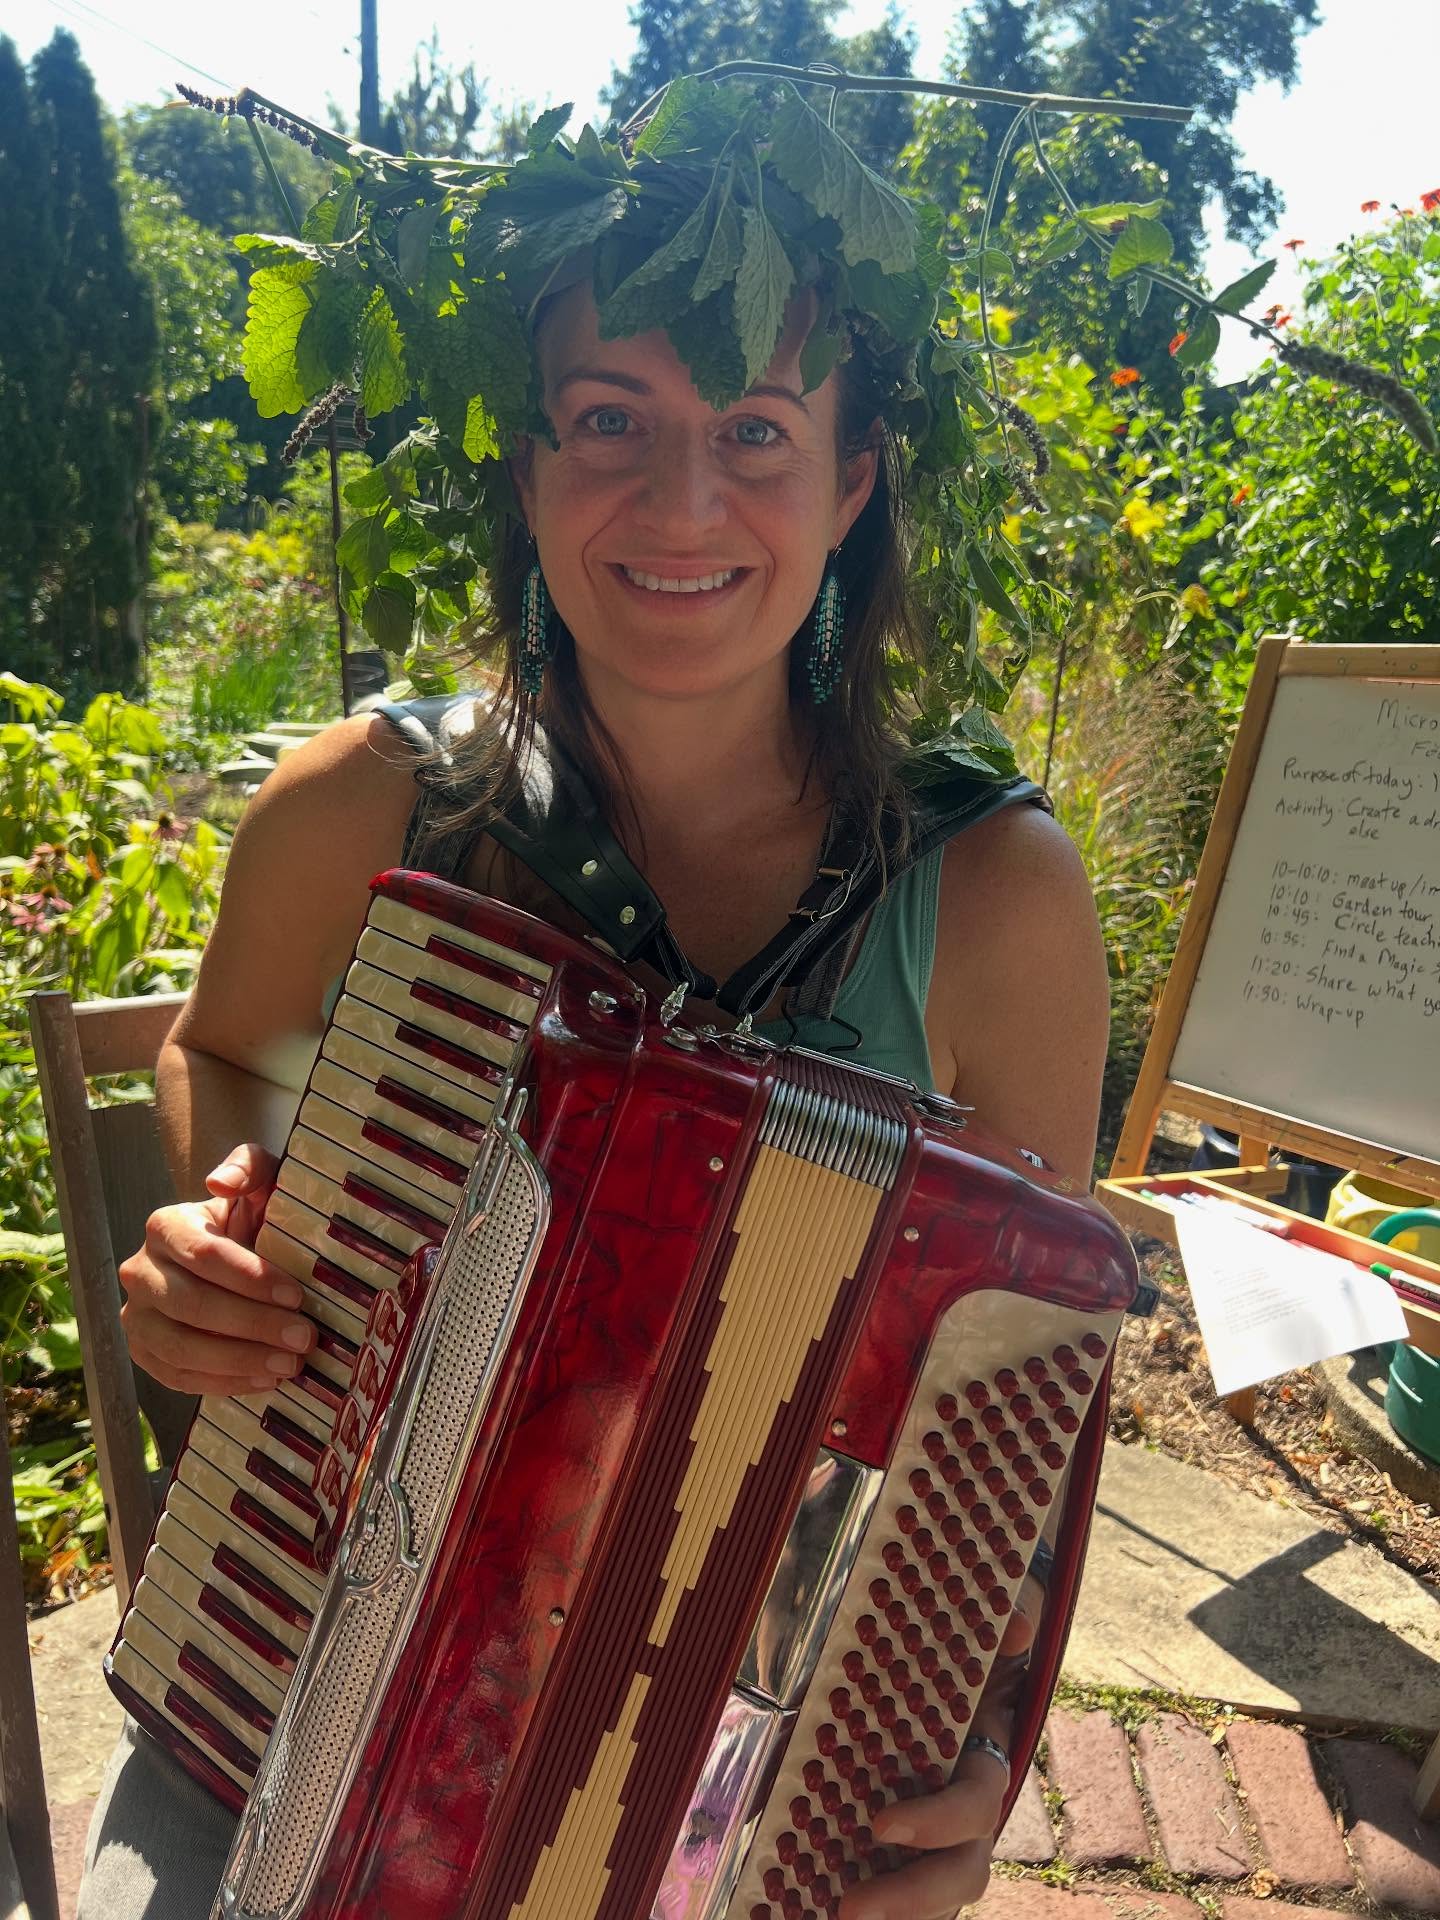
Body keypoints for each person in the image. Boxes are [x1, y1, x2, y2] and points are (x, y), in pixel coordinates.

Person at [79, 257, 1109, 1919]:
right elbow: (222, 1057)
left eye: (757, 431)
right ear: (529, 462)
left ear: (852, 484)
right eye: (611, 418)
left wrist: (967, 1749)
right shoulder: (362, 806)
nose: (681, 499)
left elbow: (1015, 1389)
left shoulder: (995, 896)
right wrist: (235, 1236)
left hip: (726, 1807)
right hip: (296, 1679)